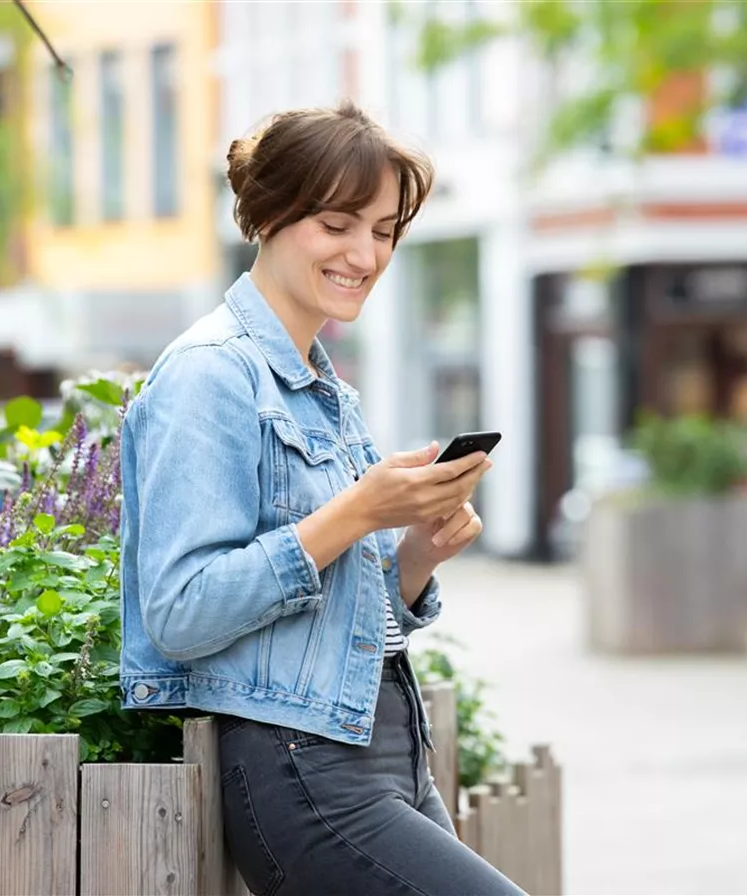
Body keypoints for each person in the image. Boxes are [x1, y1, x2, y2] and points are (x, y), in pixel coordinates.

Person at [119, 100, 524, 896]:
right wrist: (357, 511)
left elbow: (344, 609)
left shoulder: (325, 391)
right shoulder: (209, 374)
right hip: (302, 770)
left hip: (382, 757)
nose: (364, 254)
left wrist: (413, 556)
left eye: (382, 231)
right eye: (337, 224)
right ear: (268, 215)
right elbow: (180, 610)